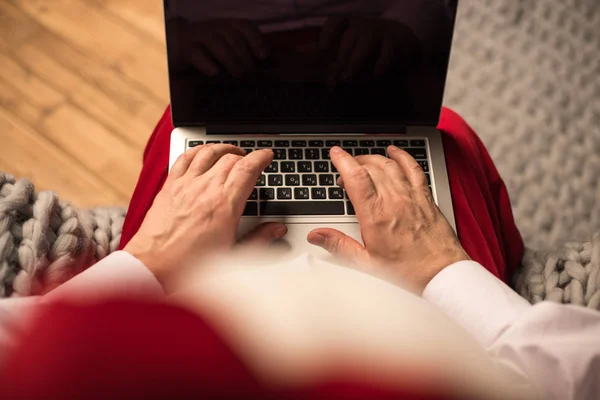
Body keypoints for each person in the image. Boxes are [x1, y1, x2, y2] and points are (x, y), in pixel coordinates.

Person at [0, 107, 599, 400]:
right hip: (442, 323)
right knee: (444, 133)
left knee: (192, 127)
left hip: (177, 286)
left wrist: (151, 259)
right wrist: (443, 269)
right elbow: (574, 374)